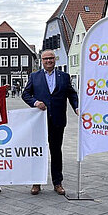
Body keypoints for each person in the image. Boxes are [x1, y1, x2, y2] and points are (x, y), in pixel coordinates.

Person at [22, 49, 78, 195]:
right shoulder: (34, 76)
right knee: (38, 151)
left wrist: (77, 107)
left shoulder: (64, 77)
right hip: (40, 121)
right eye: (46, 59)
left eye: (51, 58)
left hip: (58, 120)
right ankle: (36, 182)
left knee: (56, 152)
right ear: (42, 60)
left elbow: (71, 94)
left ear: (55, 60)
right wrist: (35, 102)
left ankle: (57, 182)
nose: (48, 61)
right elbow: (25, 94)